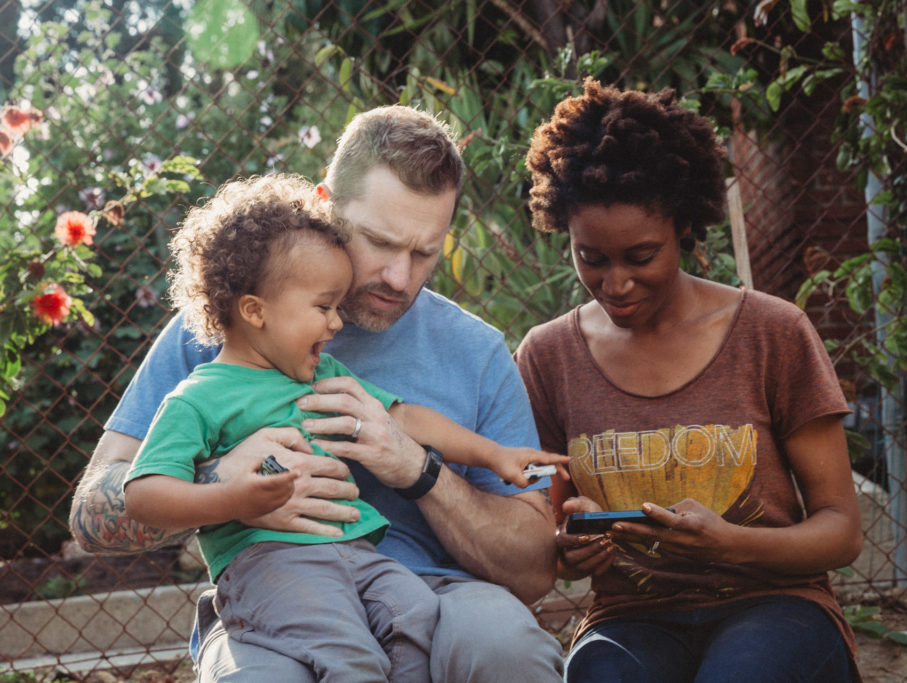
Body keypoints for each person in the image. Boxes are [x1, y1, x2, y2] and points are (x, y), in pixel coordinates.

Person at [69, 105, 564, 682]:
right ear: (325, 205)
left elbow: (534, 572)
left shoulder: (475, 351)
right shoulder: (225, 322)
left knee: (507, 649)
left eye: (424, 252)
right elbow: (89, 517)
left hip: (436, 592)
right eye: (379, 242)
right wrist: (224, 482)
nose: (400, 277)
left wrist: (418, 470)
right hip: (278, 592)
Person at [514, 78, 864, 682]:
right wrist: (570, 550)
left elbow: (841, 529)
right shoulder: (548, 357)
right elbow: (551, 532)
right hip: (629, 618)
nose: (616, 283)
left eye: (641, 256)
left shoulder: (772, 333)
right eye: (591, 258)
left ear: (683, 227)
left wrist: (732, 544)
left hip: (776, 604)